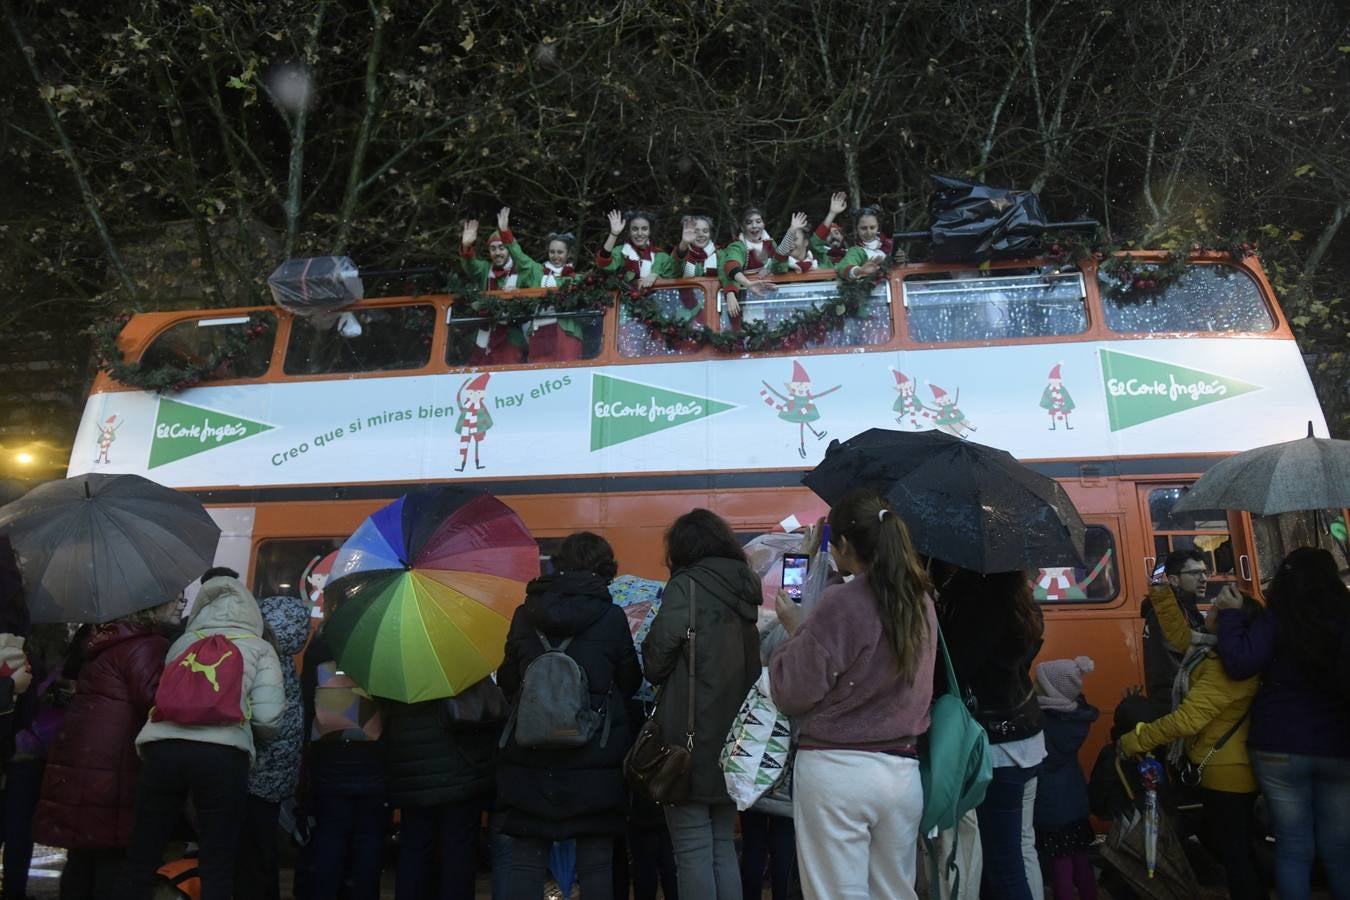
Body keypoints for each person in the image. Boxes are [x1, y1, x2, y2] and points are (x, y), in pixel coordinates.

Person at [769, 491, 938, 900]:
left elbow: (793, 690)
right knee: (894, 891)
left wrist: (796, 631)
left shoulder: (841, 603)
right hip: (901, 772)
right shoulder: (921, 601)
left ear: (842, 545)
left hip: (836, 772)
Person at [117, 569, 285, 900]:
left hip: (162, 750)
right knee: (217, 860)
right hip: (222, 756)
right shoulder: (260, 648)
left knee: (142, 854)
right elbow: (268, 718)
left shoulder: (181, 641)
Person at [495, 531, 642, 899]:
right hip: (595, 752)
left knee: (527, 858)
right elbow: (629, 680)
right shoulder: (610, 616)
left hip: (531, 754)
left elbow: (510, 678)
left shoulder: (524, 614)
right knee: (595, 861)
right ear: (605, 569)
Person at [1214, 546, 1350, 900]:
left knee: (1293, 847)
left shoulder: (1277, 619)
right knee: (1340, 850)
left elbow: (1240, 663)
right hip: (1340, 744)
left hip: (1279, 744)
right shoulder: (1345, 615)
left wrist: (1230, 617)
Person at [642, 509, 762, 900]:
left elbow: (656, 661)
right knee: (722, 846)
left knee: (692, 850)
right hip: (734, 743)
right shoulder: (746, 588)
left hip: (687, 743)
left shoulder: (685, 586)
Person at [1119, 582, 1264, 900]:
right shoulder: (1215, 650)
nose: (1208, 612)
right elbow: (1180, 636)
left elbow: (1187, 719)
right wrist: (1159, 591)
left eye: (1215, 611)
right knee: (1233, 847)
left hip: (1229, 773)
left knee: (1235, 853)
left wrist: (1138, 739)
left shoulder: (1226, 668)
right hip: (1225, 767)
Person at [34, 606, 169, 900]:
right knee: (113, 853)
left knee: (83, 851)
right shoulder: (148, 644)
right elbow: (154, 699)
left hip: (85, 756)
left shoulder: (104, 643)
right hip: (116, 762)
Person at [933, 565, 1045, 900]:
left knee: (1002, 868)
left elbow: (957, 667)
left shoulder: (980, 600)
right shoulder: (1016, 597)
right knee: (1017, 852)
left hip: (997, 748)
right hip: (1024, 737)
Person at [297, 605, 388, 900]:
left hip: (329, 751)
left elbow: (306, 699)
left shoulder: (320, 647)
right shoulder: (380, 647)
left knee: (330, 834)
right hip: (372, 754)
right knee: (369, 838)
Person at [382, 679, 501, 900]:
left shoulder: (397, 664)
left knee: (414, 850)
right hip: (460, 771)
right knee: (459, 853)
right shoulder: (462, 658)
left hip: (413, 773)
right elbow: (491, 708)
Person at [234, 594, 309, 900]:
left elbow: (261, 722)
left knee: (250, 853)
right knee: (265, 852)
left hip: (254, 773)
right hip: (278, 778)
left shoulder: (259, 660)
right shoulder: (287, 663)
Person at [1032, 657, 1099, 900]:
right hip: (1075, 801)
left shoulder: (1044, 722)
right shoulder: (1073, 719)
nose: (1033, 685)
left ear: (1050, 690)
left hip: (1051, 806)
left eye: (1039, 683)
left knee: (1059, 863)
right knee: (1081, 858)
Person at [1142, 549, 1208, 707]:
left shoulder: (1187, 609)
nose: (1204, 579)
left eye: (1205, 572)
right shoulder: (1165, 614)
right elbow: (1173, 666)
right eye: (1195, 573)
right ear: (1174, 580)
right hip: (1176, 701)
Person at [718, 207, 782, 316]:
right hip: (745, 296)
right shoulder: (738, 246)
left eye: (758, 221)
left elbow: (780, 261)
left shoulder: (770, 243)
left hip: (770, 295)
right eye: (749, 222)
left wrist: (768, 269)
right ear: (742, 227)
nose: (754, 226)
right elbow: (730, 266)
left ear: (763, 224)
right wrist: (748, 284)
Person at [595, 209, 680, 288]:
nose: (639, 233)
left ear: (650, 232)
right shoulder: (622, 252)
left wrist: (657, 278)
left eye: (644, 229)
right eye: (635, 229)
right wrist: (614, 234)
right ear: (629, 232)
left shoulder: (661, 257)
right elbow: (603, 263)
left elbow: (677, 280)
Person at [834, 204, 895, 282]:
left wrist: (901, 259)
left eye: (872, 227)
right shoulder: (856, 251)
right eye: (863, 228)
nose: (868, 232)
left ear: (878, 227)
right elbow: (843, 266)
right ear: (856, 229)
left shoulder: (890, 245)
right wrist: (859, 271)